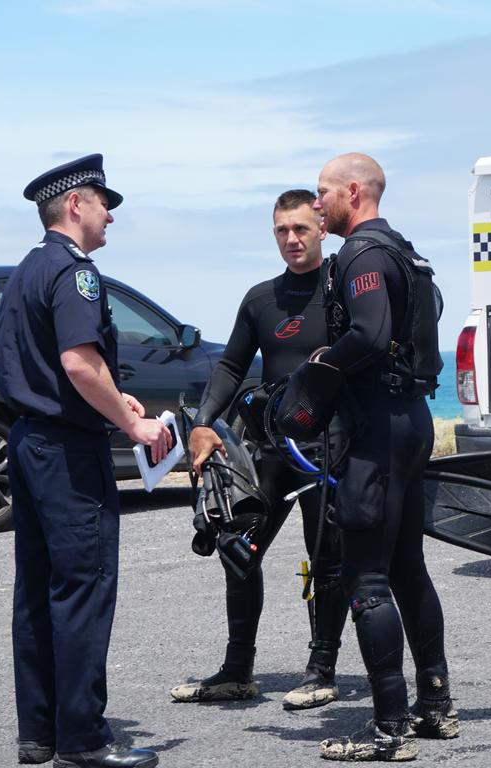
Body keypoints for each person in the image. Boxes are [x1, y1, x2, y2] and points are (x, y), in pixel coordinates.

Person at [0, 154, 172, 768]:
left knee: (38, 591)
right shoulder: (77, 274)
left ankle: (39, 732)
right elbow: (75, 361)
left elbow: (57, 366)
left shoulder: (25, 269)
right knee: (83, 588)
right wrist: (132, 423)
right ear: (76, 204)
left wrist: (108, 395)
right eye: (104, 202)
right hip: (68, 455)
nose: (111, 215)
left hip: (30, 442)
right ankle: (83, 739)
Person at [293, 153, 457, 761]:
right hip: (413, 420)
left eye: (323, 193)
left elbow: (367, 332)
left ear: (353, 192)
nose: (316, 205)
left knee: (367, 577)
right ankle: (435, 706)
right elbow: (428, 316)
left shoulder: (361, 255)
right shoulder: (404, 251)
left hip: (378, 429)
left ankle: (389, 728)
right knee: (408, 567)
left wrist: (316, 372)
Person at [169, 189, 349, 710]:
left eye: (301, 229)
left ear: (320, 227)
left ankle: (322, 669)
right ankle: (237, 670)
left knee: (326, 562)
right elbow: (229, 366)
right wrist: (204, 422)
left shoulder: (341, 290)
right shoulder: (260, 299)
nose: (291, 240)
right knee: (238, 551)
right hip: (271, 449)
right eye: (281, 231)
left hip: (326, 450)